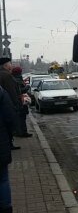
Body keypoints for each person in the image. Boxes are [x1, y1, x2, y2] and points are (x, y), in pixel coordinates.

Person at [0, 85, 16, 213]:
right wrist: (8, 137)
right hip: (1, 143)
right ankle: (6, 208)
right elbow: (10, 118)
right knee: (3, 179)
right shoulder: (1, 92)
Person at [0, 57, 21, 150]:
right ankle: (9, 144)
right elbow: (11, 91)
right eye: (10, 64)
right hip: (8, 104)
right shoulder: (6, 75)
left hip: (4, 105)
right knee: (9, 125)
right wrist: (17, 104)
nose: (11, 65)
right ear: (5, 65)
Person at [11, 66, 32, 138]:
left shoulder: (15, 78)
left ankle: (20, 132)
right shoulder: (17, 79)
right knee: (22, 118)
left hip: (20, 101)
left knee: (21, 118)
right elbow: (20, 90)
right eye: (20, 71)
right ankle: (22, 132)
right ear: (19, 72)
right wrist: (27, 87)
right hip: (20, 101)